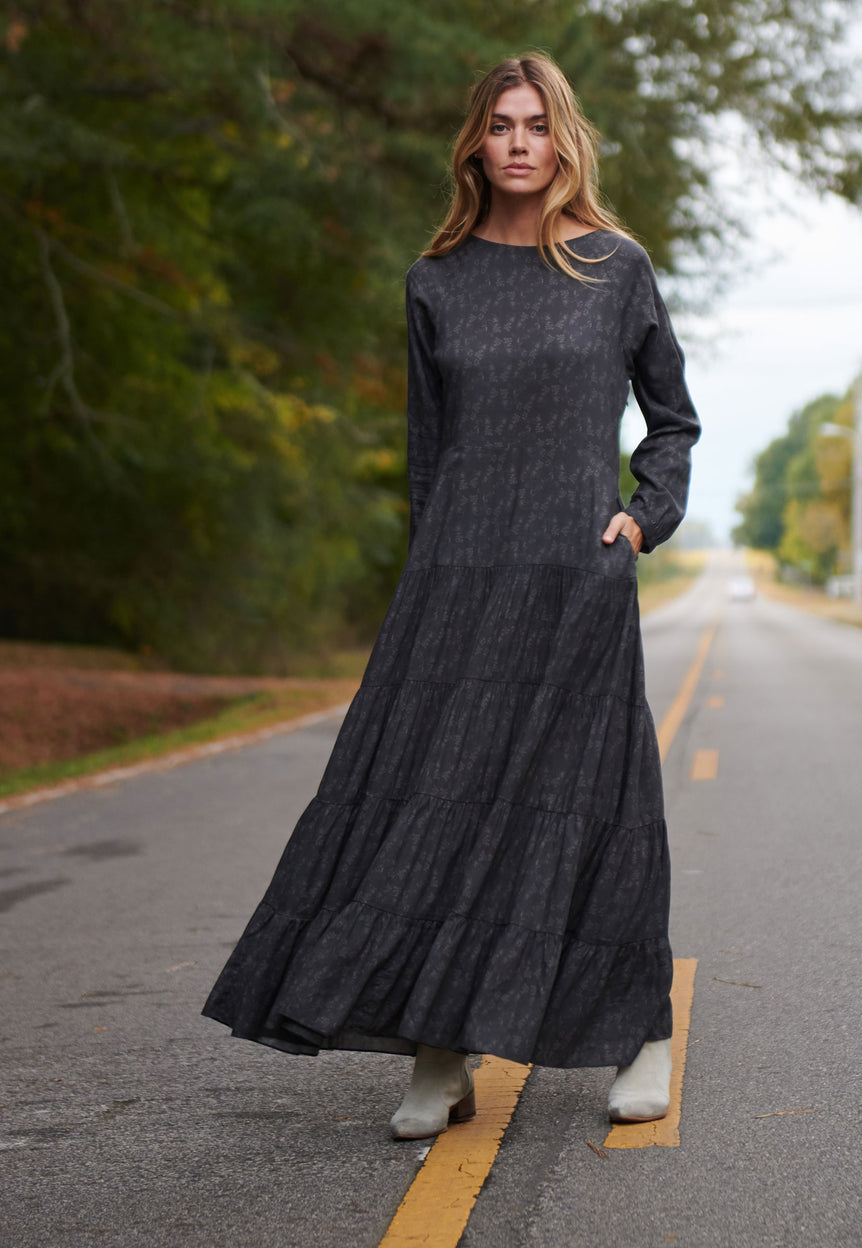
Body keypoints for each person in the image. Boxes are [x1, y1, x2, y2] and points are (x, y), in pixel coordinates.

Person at [202, 52, 700, 1139]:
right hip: (459, 581)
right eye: (499, 126)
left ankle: (640, 1034)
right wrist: (426, 577)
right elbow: (431, 456)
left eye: (537, 124)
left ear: (563, 139)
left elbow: (672, 420)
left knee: (593, 805)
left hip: (576, 578)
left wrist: (641, 516)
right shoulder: (435, 282)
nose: (519, 142)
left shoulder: (615, 268)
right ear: (474, 144)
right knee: (440, 802)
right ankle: (439, 1046)